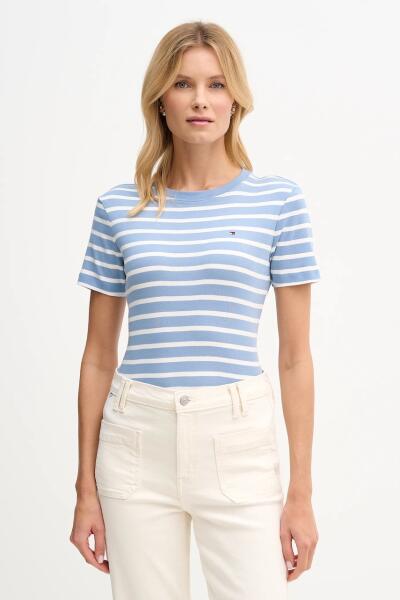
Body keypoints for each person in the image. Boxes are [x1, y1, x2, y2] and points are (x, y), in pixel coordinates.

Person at [70, 20, 321, 600]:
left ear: (237, 100)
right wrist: (85, 488)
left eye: (216, 84)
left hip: (237, 440)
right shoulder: (119, 208)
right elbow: (98, 356)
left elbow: (294, 359)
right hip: (136, 440)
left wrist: (301, 493)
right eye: (183, 84)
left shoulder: (278, 202)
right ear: (161, 99)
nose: (201, 100)